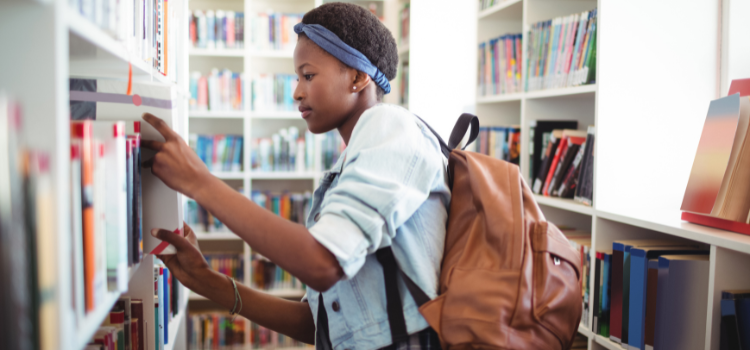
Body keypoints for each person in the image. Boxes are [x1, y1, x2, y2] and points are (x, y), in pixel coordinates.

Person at [142, 3, 449, 349]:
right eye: (297, 77)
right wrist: (207, 281)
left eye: (308, 75)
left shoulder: (390, 126)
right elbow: (318, 325)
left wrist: (200, 182)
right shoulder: (352, 160)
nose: (297, 92)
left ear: (359, 77)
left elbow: (322, 263)